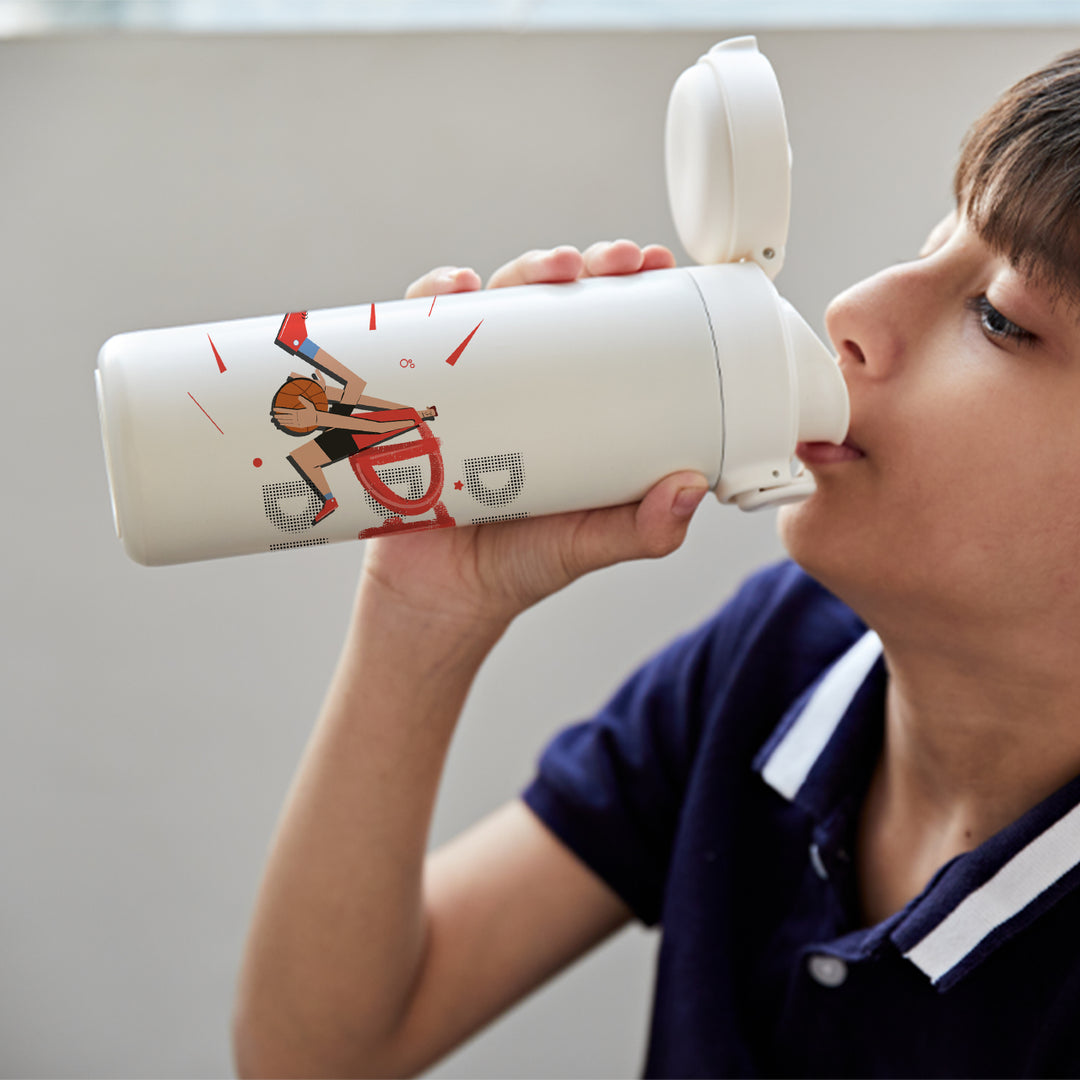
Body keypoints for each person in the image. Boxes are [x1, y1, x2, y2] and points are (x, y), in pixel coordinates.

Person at [232, 49, 1080, 1078]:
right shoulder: (778, 655)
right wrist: (423, 609)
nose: (856, 309)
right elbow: (319, 1050)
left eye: (997, 316)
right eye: (931, 240)